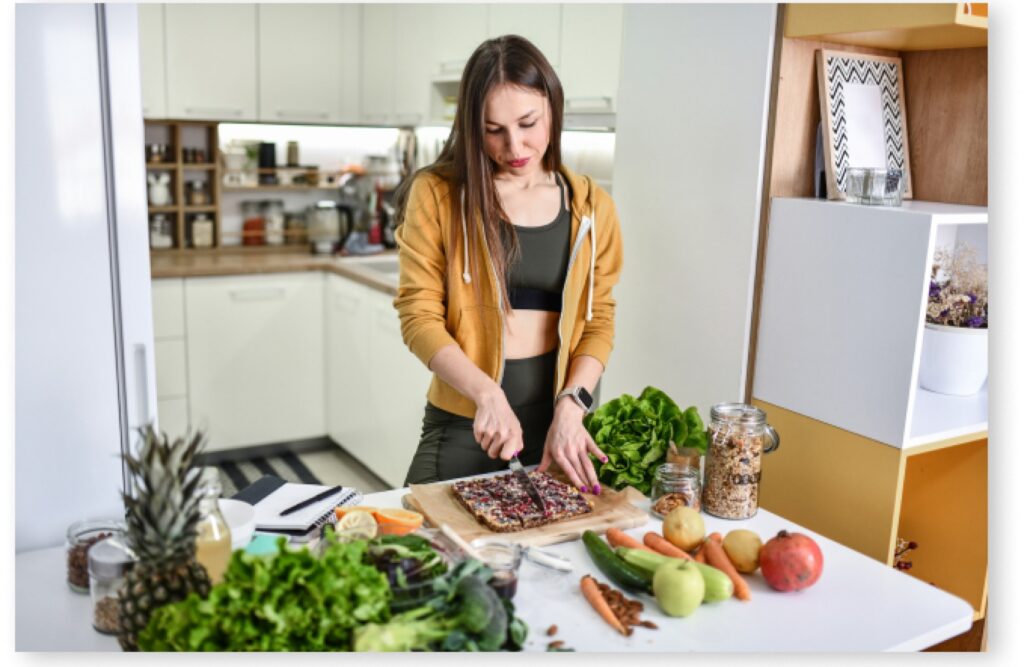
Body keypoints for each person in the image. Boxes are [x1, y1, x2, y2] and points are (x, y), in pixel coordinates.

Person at [393, 35, 624, 494]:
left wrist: (573, 405)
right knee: (415, 553)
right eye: (493, 129)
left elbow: (598, 322)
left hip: (559, 429)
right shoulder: (437, 194)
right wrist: (486, 394)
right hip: (466, 421)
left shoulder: (592, 207)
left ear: (552, 108)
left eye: (527, 123)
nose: (514, 145)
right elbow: (418, 316)